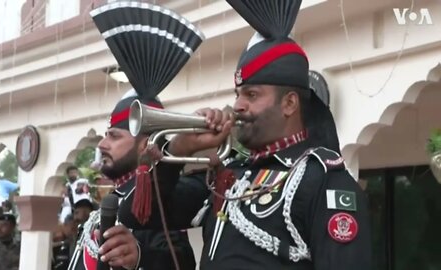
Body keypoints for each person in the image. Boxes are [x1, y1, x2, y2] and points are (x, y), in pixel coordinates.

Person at [112, 1, 372, 269]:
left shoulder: (325, 182)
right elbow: (136, 215)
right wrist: (180, 148)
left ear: (289, 104)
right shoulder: (229, 176)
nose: (237, 106)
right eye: (238, 95)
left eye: (252, 95)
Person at [67, 90, 197, 270]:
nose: (102, 144)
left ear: (146, 145)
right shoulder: (115, 196)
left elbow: (182, 261)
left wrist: (140, 256)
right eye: (106, 135)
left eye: (114, 136)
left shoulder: (157, 199)